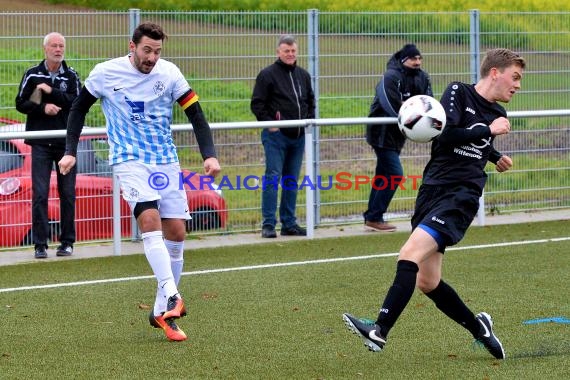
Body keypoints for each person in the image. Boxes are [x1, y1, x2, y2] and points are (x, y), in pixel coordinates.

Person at [343, 48, 526, 359]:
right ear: (495, 72)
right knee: (428, 282)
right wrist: (489, 136)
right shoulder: (458, 91)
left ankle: (379, 329)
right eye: (515, 77)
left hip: (461, 195)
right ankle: (480, 328)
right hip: (432, 190)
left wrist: (492, 155)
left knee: (409, 255)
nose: (518, 85)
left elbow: (474, 143)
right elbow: (447, 135)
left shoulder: (499, 114)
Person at [58, 22, 221, 342]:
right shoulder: (106, 73)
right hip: (129, 160)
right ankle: (174, 296)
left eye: (158, 51)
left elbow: (196, 115)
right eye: (147, 50)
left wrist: (209, 154)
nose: (152, 57)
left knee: (176, 232)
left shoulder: (170, 73)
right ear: (132, 46)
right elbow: (78, 109)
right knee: (150, 221)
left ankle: (162, 309)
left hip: (165, 160)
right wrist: (69, 151)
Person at [15, 32, 81, 259]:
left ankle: (67, 243)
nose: (58, 49)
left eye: (61, 46)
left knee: (68, 193)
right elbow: (21, 104)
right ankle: (40, 245)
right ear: (45, 49)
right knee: (41, 194)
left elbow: (76, 102)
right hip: (41, 143)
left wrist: (51, 91)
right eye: (54, 45)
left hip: (66, 144)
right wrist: (42, 107)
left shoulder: (71, 76)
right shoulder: (33, 74)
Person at [251, 34, 316, 238]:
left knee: (291, 180)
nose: (290, 54)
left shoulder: (303, 75)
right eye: (286, 51)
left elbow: (310, 102)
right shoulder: (267, 75)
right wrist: (270, 124)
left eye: (293, 51)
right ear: (278, 52)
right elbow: (257, 104)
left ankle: (289, 223)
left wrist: (308, 122)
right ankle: (268, 224)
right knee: (273, 178)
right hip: (276, 137)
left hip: (298, 137)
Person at [364, 43, 433, 232]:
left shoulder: (423, 77)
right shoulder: (391, 76)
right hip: (381, 133)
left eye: (419, 58)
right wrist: (409, 114)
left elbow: (428, 104)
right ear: (404, 60)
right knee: (395, 174)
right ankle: (375, 216)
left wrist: (426, 125)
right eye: (413, 59)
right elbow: (390, 104)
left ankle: (373, 217)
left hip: (398, 135)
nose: (417, 62)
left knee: (383, 175)